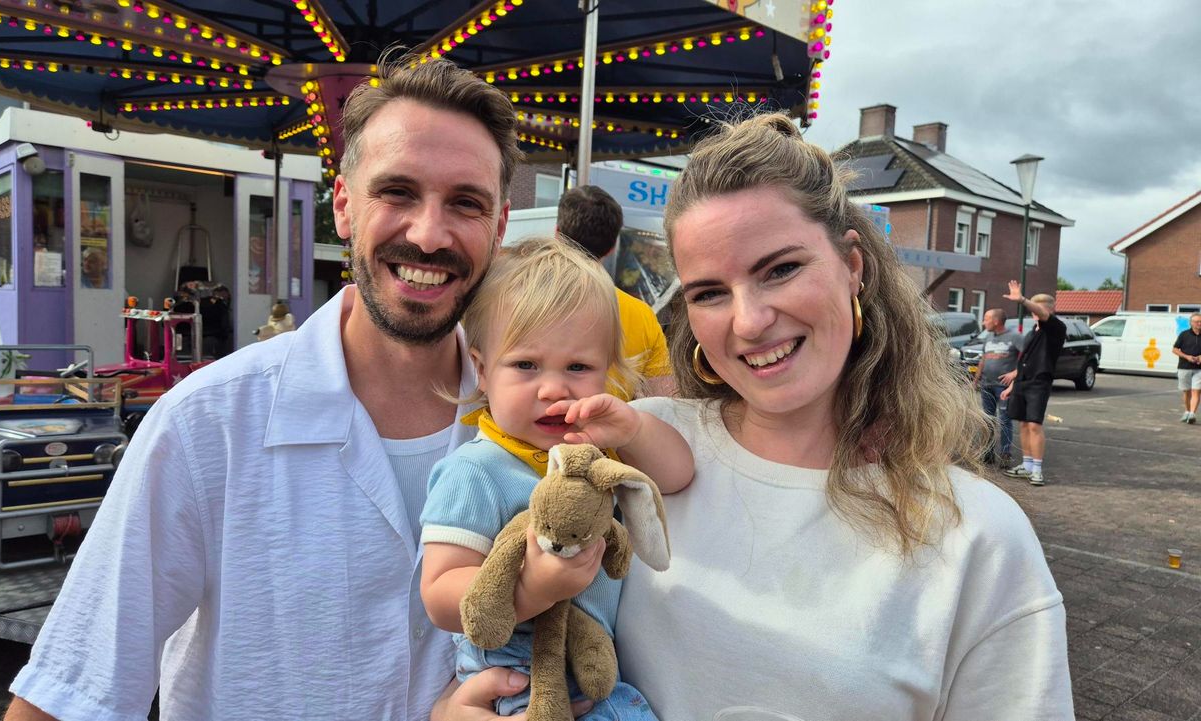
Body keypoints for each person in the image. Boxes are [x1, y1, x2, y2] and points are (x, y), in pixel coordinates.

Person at [441, 113, 1074, 721]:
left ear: (853, 267)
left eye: (781, 269)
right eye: (710, 293)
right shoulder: (635, 446)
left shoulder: (976, 536)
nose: (748, 322)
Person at [4, 56, 523, 721]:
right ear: (343, 206)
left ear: (500, 226)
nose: (428, 233)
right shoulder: (207, 425)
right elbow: (68, 695)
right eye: (397, 192)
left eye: (465, 203)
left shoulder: (539, 431)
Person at [420, 238, 693, 719]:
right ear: (482, 370)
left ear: (607, 373)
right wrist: (535, 586)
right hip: (516, 689)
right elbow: (439, 595)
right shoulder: (477, 471)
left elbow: (677, 474)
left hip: (599, 682)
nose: (553, 388)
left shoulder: (597, 452)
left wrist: (632, 426)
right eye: (526, 365)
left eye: (578, 367)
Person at [556, 185, 673, 398]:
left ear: (557, 234)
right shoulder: (642, 315)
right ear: (612, 247)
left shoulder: (518, 299)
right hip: (609, 429)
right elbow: (663, 397)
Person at [1000, 283, 1066, 486]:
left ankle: (1037, 469)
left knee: (1035, 425)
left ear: (1049, 310)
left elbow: (1042, 313)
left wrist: (1021, 300)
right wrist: (1013, 384)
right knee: (1023, 424)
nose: (1034, 313)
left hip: (1039, 383)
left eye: (1036, 309)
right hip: (1022, 383)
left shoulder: (1056, 328)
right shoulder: (1032, 333)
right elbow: (1024, 362)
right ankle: (1026, 465)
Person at [976, 307, 1025, 467]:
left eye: (986, 319)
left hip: (1003, 387)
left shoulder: (1015, 337)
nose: (983, 322)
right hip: (987, 385)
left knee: (1004, 420)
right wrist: (976, 379)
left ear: (996, 321)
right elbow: (983, 359)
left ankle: (1005, 454)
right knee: (988, 419)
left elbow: (1029, 358)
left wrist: (1015, 374)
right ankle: (988, 453)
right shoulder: (988, 337)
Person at [1173, 312, 1201, 423]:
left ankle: (1192, 413)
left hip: (1199, 369)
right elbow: (1175, 349)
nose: (1199, 323)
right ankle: (1187, 411)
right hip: (1184, 367)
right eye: (1197, 321)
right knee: (1186, 391)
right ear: (1191, 323)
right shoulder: (1184, 335)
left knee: (1196, 391)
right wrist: (1187, 357)